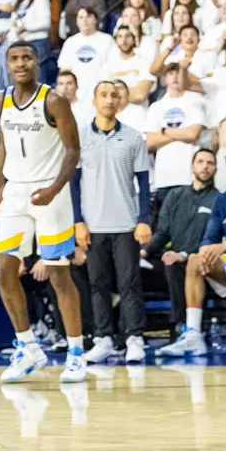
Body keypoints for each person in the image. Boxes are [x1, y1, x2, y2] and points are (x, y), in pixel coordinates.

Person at [0, 42, 87, 383]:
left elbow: (73, 151)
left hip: (50, 190)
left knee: (60, 275)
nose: (20, 64)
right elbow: (4, 142)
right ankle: (27, 346)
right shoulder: (0, 99)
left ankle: (76, 352)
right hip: (15, 191)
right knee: (4, 269)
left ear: (36, 62)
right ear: (7, 64)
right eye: (14, 59)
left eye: (26, 58)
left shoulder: (53, 100)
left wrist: (55, 189)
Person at [73, 80, 151, 365]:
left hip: (126, 223)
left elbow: (143, 181)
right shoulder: (80, 138)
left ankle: (134, 338)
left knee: (130, 283)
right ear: (94, 100)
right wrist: (77, 222)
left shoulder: (133, 138)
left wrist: (143, 219)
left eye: (114, 95)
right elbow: (73, 183)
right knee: (97, 284)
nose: (109, 99)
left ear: (121, 102)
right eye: (103, 94)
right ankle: (103, 338)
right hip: (93, 225)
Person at [159, 150, 226, 358]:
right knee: (194, 259)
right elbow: (210, 236)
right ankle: (193, 335)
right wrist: (206, 250)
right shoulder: (222, 200)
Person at [146, 149, 218, 345]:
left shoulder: (219, 200)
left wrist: (184, 254)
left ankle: (183, 326)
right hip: (172, 257)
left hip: (202, 261)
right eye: (201, 162)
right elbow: (162, 233)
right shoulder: (175, 195)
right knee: (131, 269)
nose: (205, 166)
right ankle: (125, 333)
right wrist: (144, 251)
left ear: (216, 169)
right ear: (192, 166)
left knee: (174, 265)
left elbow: (212, 239)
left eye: (210, 163)